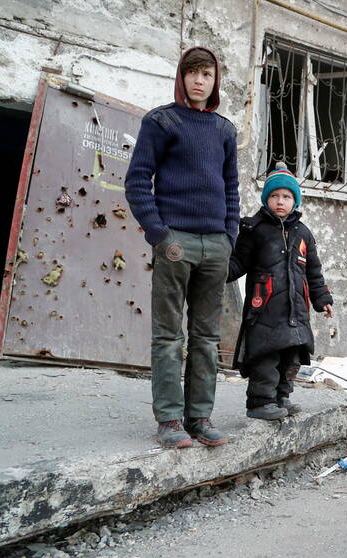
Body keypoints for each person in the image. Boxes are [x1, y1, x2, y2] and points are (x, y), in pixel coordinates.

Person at [125, 46, 239, 448]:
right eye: (192, 73)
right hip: (176, 243)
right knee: (169, 336)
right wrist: (160, 234)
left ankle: (200, 418)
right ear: (181, 77)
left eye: (206, 74)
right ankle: (170, 421)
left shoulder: (225, 130)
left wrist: (229, 237)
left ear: (214, 81)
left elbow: (231, 189)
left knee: (207, 339)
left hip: (216, 247)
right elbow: (137, 181)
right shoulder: (161, 121)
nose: (198, 81)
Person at [227, 165, 334, 419]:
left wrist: (322, 299)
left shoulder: (304, 233)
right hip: (265, 307)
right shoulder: (254, 229)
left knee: (292, 356)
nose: (280, 201)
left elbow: (314, 272)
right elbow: (238, 263)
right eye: (274, 196)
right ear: (266, 199)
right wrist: (218, 269)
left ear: (294, 201)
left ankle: (280, 397)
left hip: (296, 309)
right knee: (267, 355)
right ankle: (260, 403)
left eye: (286, 197)